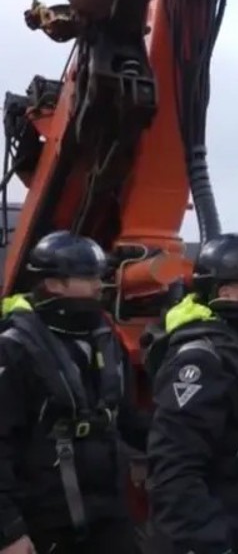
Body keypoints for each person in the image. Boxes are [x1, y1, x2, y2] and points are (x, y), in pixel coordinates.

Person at [143, 233, 238, 554]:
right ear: (227, 293)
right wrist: (208, 544)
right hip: (223, 532)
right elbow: (175, 470)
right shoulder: (201, 360)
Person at [0, 231, 151, 554]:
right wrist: (8, 531)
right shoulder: (14, 349)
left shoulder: (106, 338)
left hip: (109, 516)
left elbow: (127, 418)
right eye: (89, 277)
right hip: (44, 523)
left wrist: (178, 443)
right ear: (54, 283)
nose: (100, 285)